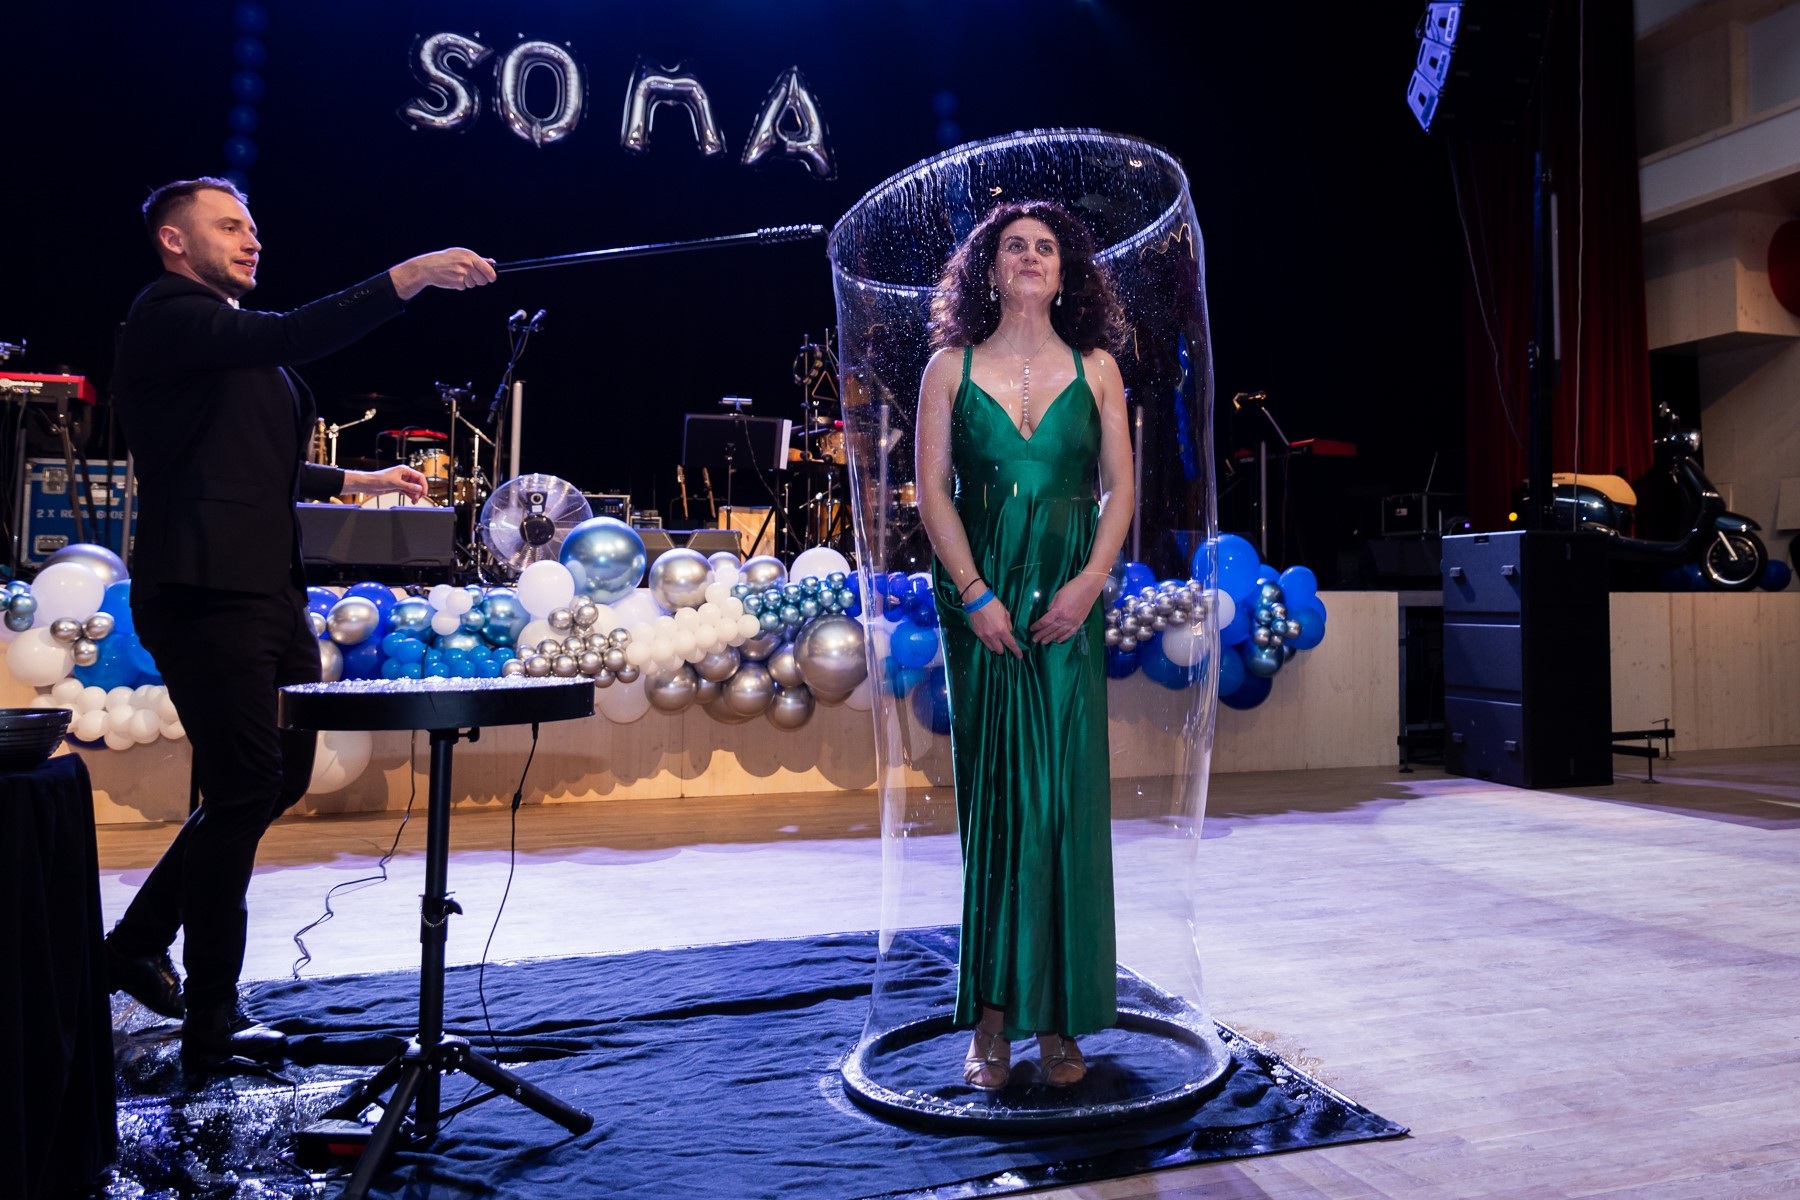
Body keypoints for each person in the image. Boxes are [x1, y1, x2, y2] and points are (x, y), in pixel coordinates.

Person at [103, 176, 495, 1069]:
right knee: (243, 785)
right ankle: (210, 1015)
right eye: (229, 226)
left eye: (253, 228)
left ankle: (136, 944)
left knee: (272, 779)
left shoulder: (226, 341)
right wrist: (409, 276)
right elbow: (290, 333)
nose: (252, 240)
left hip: (265, 591)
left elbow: (256, 459)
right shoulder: (168, 315)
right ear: (174, 242)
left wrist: (361, 481)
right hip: (203, 590)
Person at [915, 200, 1134, 1090]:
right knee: (999, 807)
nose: (1032, 256)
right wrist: (973, 593)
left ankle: (1061, 1021)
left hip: (1069, 602)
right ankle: (992, 1023)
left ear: (1065, 269)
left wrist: (1091, 583)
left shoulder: (1099, 369)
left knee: (1063, 806)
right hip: (985, 603)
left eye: (1046, 247)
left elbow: (1120, 490)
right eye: (1015, 246)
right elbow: (932, 491)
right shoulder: (949, 367)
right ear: (991, 269)